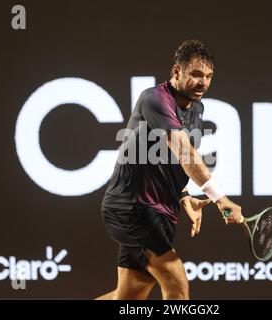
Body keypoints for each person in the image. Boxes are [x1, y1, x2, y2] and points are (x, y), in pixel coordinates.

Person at [97, 39, 243, 300]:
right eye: (196, 74)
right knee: (177, 286)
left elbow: (173, 161)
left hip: (161, 214)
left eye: (209, 76)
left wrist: (184, 196)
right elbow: (184, 152)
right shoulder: (154, 98)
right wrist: (221, 200)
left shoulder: (197, 110)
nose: (203, 83)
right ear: (177, 72)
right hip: (132, 208)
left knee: (127, 299)